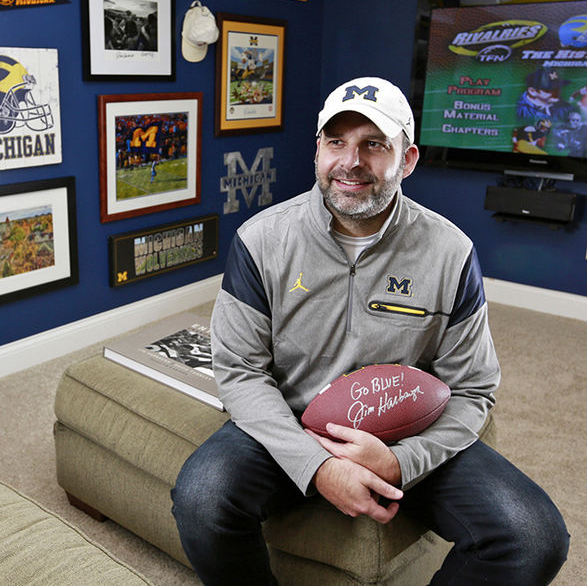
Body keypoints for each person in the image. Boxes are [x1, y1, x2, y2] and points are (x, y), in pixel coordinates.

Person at [171, 77, 569, 585]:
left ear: (407, 159)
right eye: (336, 142)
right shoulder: (262, 240)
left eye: (374, 144)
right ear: (318, 151)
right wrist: (318, 466)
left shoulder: (451, 253)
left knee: (533, 536)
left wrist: (401, 462)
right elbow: (240, 371)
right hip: (289, 422)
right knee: (202, 499)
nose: (351, 161)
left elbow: (473, 388)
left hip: (405, 429)